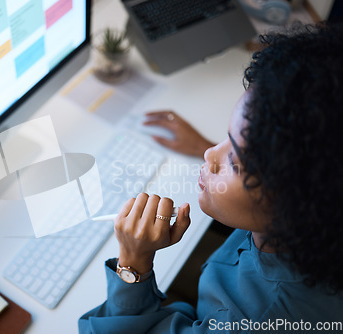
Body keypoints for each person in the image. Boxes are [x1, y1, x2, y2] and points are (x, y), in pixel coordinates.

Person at [79, 23, 343, 333]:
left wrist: (133, 263)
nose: (210, 155)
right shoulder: (318, 220)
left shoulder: (259, 320)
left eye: (235, 160)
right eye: (228, 139)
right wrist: (221, 150)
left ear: (302, 201)